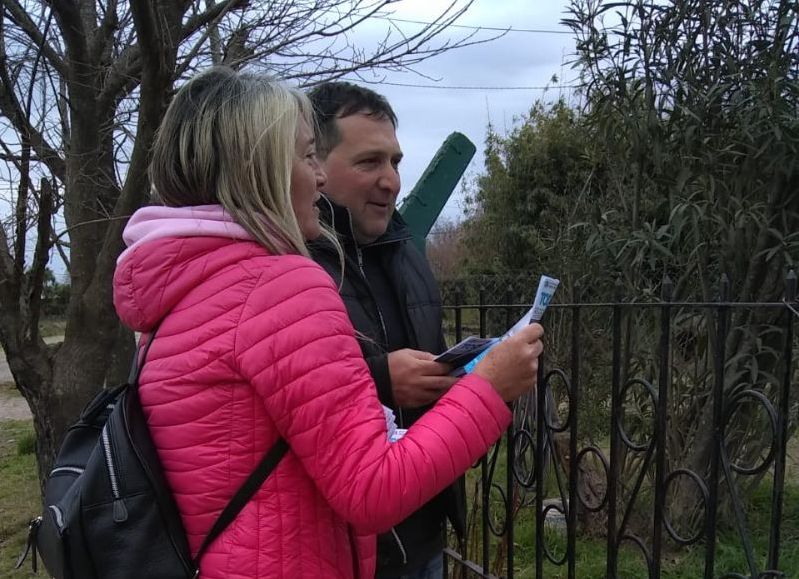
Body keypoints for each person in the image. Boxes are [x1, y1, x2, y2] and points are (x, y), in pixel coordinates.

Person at [113, 67, 544, 579]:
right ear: (260, 168)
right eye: (305, 156)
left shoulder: (180, 287)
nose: (317, 176)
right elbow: (372, 490)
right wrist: (491, 387)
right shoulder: (278, 286)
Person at [307, 81, 460, 578]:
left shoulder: (406, 256)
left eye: (394, 161)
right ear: (315, 167)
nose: (391, 180)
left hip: (422, 533)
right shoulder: (289, 266)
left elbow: (429, 371)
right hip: (344, 550)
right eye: (369, 162)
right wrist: (379, 380)